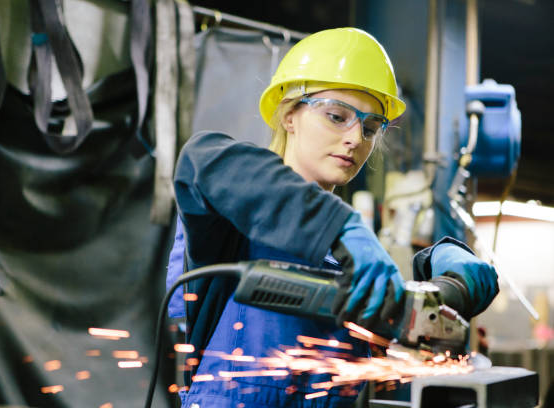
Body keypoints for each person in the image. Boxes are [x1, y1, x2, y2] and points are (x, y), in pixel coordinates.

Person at [166, 27, 499, 408]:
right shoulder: (235, 214)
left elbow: (355, 375)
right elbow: (200, 158)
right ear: (289, 115)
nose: (356, 138)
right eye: (337, 116)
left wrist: (441, 292)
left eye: (371, 127)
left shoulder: (352, 258)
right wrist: (339, 225)